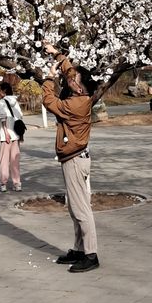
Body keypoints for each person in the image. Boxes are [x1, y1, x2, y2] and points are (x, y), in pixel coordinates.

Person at [42, 42, 100, 273]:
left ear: (78, 88)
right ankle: (79, 248)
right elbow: (70, 73)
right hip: (74, 158)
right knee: (75, 207)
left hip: (75, 160)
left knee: (80, 208)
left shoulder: (75, 104)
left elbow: (49, 102)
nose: (70, 79)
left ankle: (91, 254)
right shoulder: (80, 94)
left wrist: (48, 78)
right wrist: (56, 54)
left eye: (73, 80)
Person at [0, 81, 24, 192]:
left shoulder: (2, 102)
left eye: (0, 90)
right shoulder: (15, 102)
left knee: (4, 160)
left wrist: (6, 132)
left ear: (4, 91)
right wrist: (21, 135)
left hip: (6, 135)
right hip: (16, 134)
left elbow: (3, 118)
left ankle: (3, 183)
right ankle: (17, 183)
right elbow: (20, 117)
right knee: (15, 160)